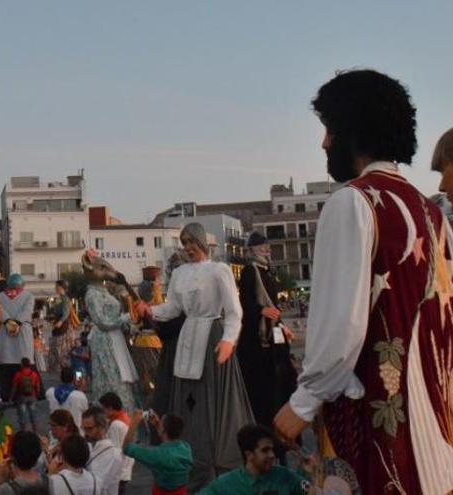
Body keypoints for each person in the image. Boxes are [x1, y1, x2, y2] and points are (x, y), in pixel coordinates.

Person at [273, 70, 453, 494]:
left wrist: (302, 402)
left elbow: (341, 324)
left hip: (373, 423)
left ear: (351, 131)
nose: (324, 143)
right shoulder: (433, 215)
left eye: (329, 130)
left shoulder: (353, 202)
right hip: (432, 426)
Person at [137, 223, 253, 491]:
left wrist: (228, 340)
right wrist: (151, 311)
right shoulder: (178, 273)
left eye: (192, 241)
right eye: (184, 242)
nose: (188, 247)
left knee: (208, 398)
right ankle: (186, 449)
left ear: (202, 242)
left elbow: (235, 312)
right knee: (186, 397)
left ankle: (212, 456)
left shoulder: (220, 270)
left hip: (211, 337)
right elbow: (174, 307)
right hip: (187, 338)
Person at [237, 232, 296, 428]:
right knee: (263, 391)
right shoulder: (249, 271)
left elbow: (274, 309)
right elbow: (245, 303)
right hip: (257, 342)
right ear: (252, 249)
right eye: (261, 246)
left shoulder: (267, 272)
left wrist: (283, 327)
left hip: (272, 337)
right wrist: (261, 310)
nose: (266, 249)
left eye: (266, 245)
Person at [81, 251, 139, 413]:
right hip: (105, 339)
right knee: (112, 378)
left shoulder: (103, 291)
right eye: (103, 268)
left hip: (115, 337)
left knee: (121, 377)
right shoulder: (92, 295)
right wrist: (127, 317)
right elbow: (103, 322)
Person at [200, 424, 310, 495]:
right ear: (249, 455)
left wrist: (311, 472)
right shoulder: (227, 484)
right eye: (265, 450)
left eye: (272, 449)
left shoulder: (284, 476)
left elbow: (309, 490)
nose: (272, 455)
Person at [122, 410, 192, 495]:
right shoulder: (186, 448)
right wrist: (158, 424)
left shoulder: (158, 455)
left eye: (161, 422)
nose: (159, 422)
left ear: (163, 430)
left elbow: (126, 447)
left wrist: (134, 422)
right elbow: (167, 438)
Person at [0, 274, 36, 401]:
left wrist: (8, 321)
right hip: (23, 331)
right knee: (25, 361)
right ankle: (29, 393)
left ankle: (7, 395)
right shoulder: (28, 296)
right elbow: (27, 311)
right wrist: (18, 322)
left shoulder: (0, 296)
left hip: (5, 330)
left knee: (7, 363)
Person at [81, 407, 123, 495]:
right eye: (84, 428)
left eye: (89, 428)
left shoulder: (113, 454)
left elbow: (97, 485)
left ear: (102, 427)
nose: (85, 433)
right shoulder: (87, 446)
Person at [99, 393, 134, 493]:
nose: (103, 412)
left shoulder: (116, 425)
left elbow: (115, 451)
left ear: (110, 408)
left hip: (119, 471)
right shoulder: (124, 417)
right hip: (125, 467)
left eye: (103, 409)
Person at [48, 280, 75, 372]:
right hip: (60, 326)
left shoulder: (65, 299)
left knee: (62, 351)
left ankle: (67, 372)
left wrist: (60, 321)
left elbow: (66, 312)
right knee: (60, 350)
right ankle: (64, 372)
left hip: (63, 327)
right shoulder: (60, 298)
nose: (55, 288)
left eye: (56, 286)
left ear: (60, 287)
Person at [10, 358, 41, 432]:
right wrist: (37, 395)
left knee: (22, 417)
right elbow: (38, 387)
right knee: (34, 416)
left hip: (22, 398)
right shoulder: (34, 374)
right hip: (32, 397)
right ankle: (35, 433)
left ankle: (24, 432)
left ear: (22, 364)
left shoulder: (18, 374)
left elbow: (14, 387)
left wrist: (11, 397)